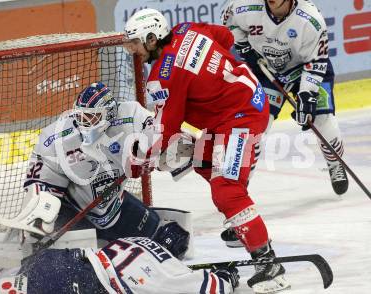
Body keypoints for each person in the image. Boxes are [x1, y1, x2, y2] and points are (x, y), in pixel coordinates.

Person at [123, 8, 290, 293]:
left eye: (136, 43)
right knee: (198, 159)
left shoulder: (163, 75)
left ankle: (269, 264)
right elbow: (226, 37)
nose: (132, 51)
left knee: (225, 189)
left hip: (241, 116)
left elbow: (166, 130)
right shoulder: (187, 29)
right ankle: (241, 218)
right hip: (238, 106)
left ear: (152, 39)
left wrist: (139, 161)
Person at [0, 81, 161, 245]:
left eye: (91, 116)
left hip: (114, 206)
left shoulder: (132, 117)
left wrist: (149, 153)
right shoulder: (56, 138)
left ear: (109, 114)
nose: (84, 122)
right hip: (74, 213)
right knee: (73, 263)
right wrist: (40, 213)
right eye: (80, 115)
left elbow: (161, 137)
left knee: (162, 238)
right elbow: (40, 183)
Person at [221, 0, 348, 196]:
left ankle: (334, 162)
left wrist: (307, 95)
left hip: (304, 70)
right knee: (255, 127)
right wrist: (242, 44)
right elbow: (228, 20)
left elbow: (316, 61)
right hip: (266, 71)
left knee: (324, 121)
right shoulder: (243, 5)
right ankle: (237, 183)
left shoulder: (311, 19)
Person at [0, 222, 240, 294]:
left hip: (61, 261)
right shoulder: (171, 271)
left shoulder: (137, 240)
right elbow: (211, 287)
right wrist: (228, 274)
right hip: (75, 282)